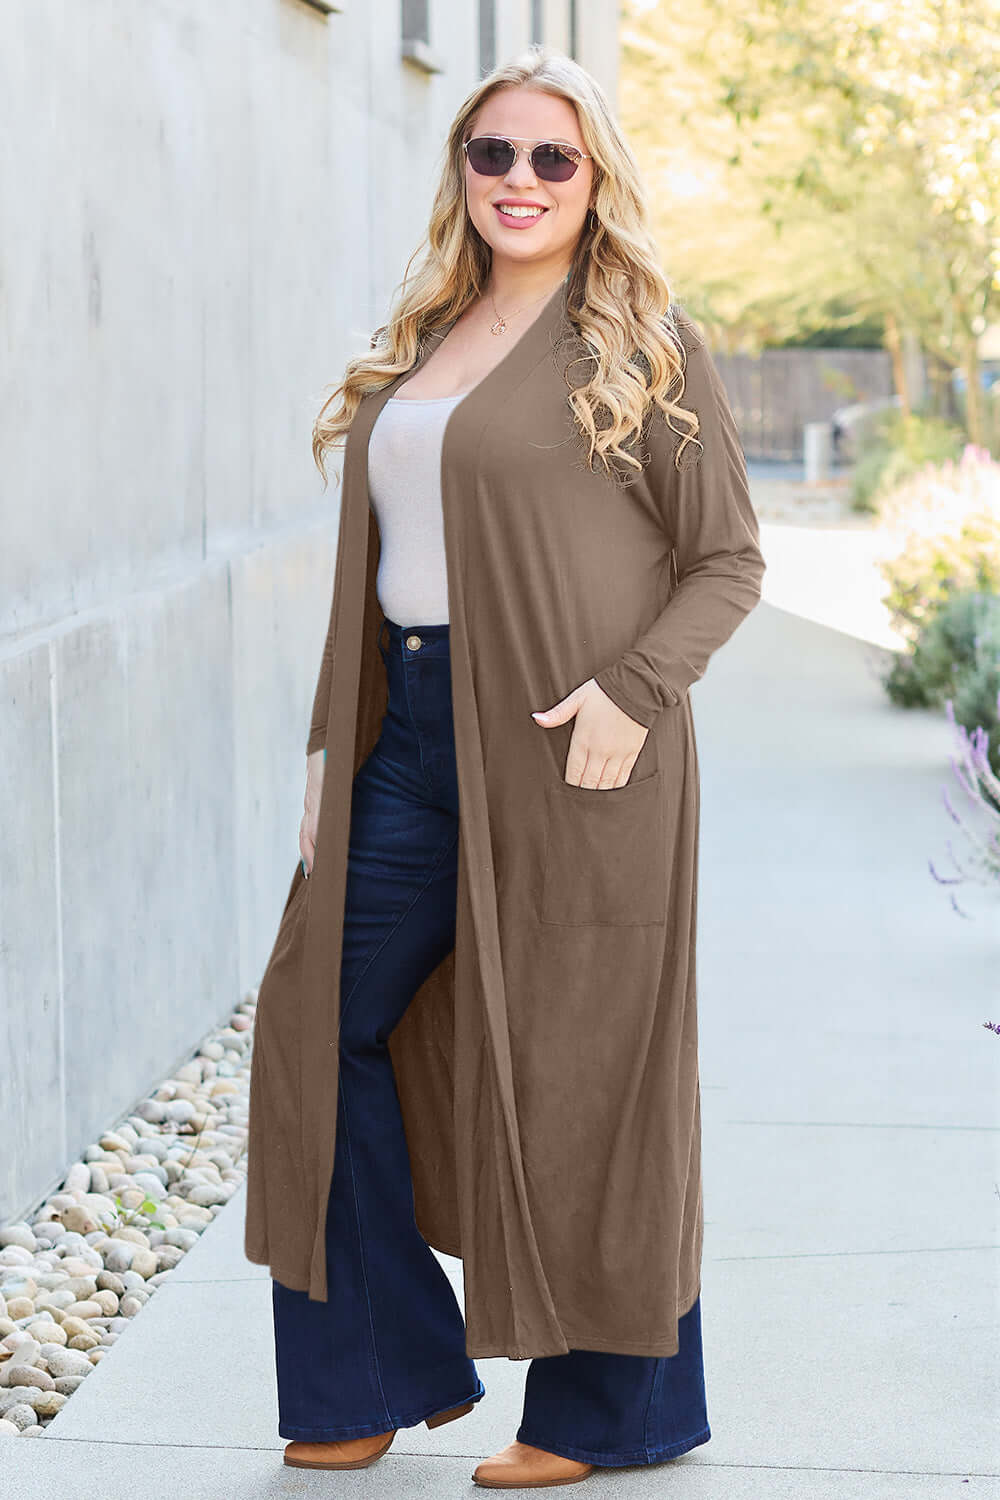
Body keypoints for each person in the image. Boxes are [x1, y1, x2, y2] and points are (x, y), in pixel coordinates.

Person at [245, 44, 766, 1490]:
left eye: (555, 157)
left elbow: (728, 559)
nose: (522, 181)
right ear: (460, 174)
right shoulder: (427, 334)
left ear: (598, 180)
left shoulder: (645, 345)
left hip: (577, 749)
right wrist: (328, 747)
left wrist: (635, 691)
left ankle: (612, 1414)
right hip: (405, 737)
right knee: (313, 1021)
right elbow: (382, 566)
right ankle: (377, 1363)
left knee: (590, 1066)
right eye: (495, 155)